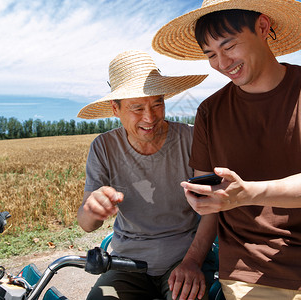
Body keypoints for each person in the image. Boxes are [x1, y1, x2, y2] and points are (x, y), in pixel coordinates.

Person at [152, 1, 301, 299]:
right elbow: (212, 206)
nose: (222, 63)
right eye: (211, 55)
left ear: (263, 28)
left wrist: (247, 193)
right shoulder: (210, 112)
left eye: (229, 46)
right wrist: (191, 260)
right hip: (247, 275)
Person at [77, 50, 215, 300]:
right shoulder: (103, 147)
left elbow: (212, 208)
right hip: (126, 264)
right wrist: (92, 209)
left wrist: (192, 262)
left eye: (157, 103)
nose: (150, 117)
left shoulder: (191, 138)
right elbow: (87, 225)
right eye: (137, 108)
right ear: (115, 109)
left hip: (183, 258)